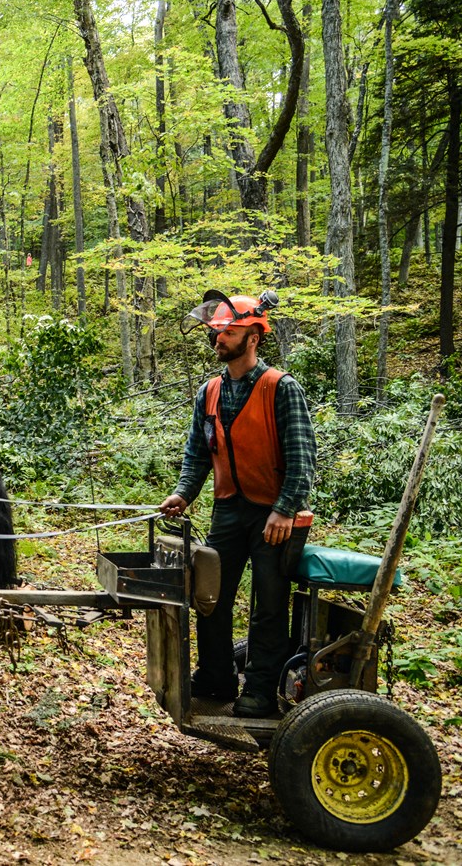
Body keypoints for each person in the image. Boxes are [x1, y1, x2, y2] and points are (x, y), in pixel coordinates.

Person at [159, 290, 316, 718]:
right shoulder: (209, 390)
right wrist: (183, 493)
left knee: (268, 604)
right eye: (217, 330)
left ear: (253, 338)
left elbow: (303, 458)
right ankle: (216, 675)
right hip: (228, 509)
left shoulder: (281, 388)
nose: (219, 338)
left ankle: (261, 690)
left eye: (229, 331)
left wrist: (285, 509)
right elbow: (198, 453)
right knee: (210, 596)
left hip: (273, 514)